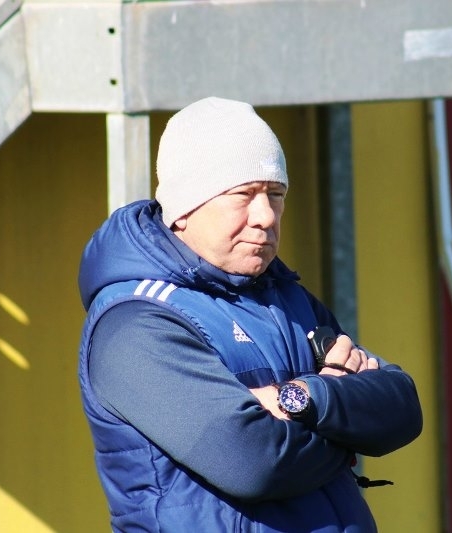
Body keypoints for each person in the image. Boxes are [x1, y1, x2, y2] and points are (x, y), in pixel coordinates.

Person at [77, 96, 423, 532]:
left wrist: (299, 398)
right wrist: (345, 425)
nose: (265, 216)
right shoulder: (137, 321)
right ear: (184, 209)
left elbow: (401, 409)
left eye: (275, 195)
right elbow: (253, 463)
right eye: (243, 195)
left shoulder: (285, 297)